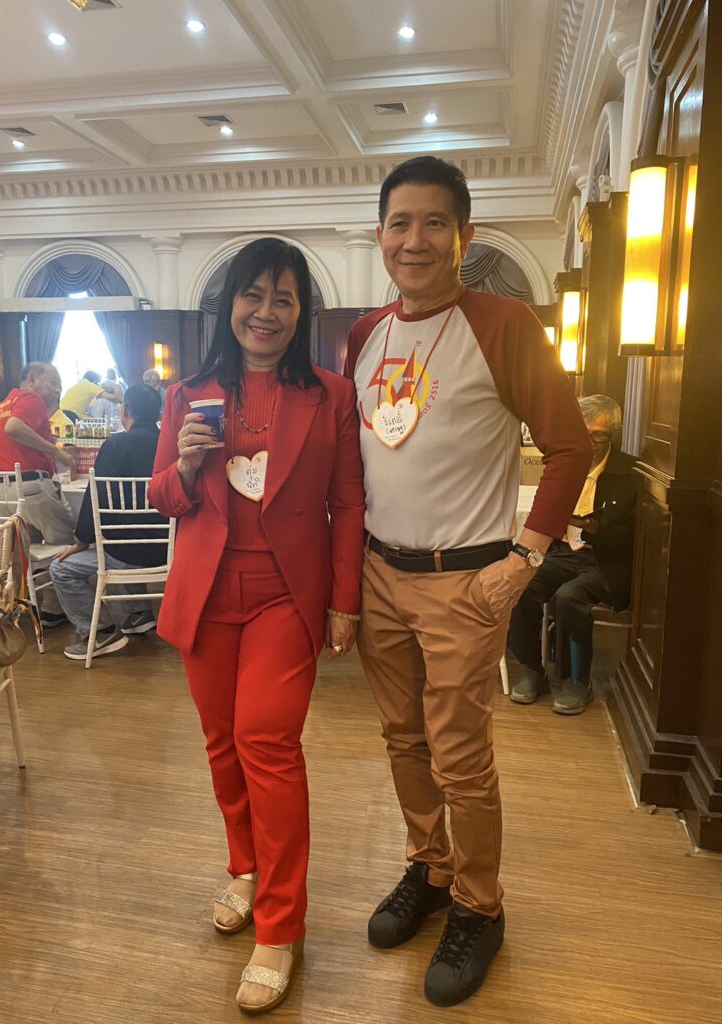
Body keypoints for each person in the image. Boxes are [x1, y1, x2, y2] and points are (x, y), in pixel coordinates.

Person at [344, 156, 592, 1008]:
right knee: (401, 739)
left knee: (460, 756)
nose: (414, 240)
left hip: (464, 580)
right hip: (379, 571)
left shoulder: (503, 323)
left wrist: (523, 559)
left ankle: (481, 907)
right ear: (380, 235)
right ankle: (432, 867)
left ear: (464, 236)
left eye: (434, 223)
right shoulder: (364, 334)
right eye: (399, 223)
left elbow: (570, 447)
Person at [148, 237, 364, 1014]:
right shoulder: (190, 392)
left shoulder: (331, 396)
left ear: (301, 312)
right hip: (206, 593)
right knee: (221, 742)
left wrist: (345, 602)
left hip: (284, 595)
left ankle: (279, 925)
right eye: (253, 294)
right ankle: (244, 865)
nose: (265, 312)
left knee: (266, 742)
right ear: (229, 305)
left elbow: (348, 504)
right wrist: (184, 466)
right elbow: (164, 498)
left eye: (283, 298)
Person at [508, 395, 636, 713]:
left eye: (599, 435)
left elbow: (635, 537)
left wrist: (597, 528)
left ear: (613, 435)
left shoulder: (629, 473)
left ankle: (576, 681)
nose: (590, 441)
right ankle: (532, 670)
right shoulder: (564, 464)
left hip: (604, 560)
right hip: (563, 552)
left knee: (569, 598)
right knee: (519, 584)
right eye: (584, 432)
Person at [50, 385, 166, 661]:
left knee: (61, 568)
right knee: (124, 539)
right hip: (170, 551)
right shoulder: (170, 445)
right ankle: (138, 615)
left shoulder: (115, 445)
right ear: (159, 413)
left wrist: (82, 540)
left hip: (125, 555)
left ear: (124, 410)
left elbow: (95, 500)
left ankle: (102, 632)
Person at [0, 361, 77, 625]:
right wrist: (56, 451)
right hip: (29, 486)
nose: (57, 388)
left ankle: (28, 600)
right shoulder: (31, 398)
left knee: (26, 545)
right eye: (53, 382)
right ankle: (55, 607)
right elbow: (13, 428)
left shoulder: (3, 405)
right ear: (32, 379)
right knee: (66, 540)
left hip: (0, 490)